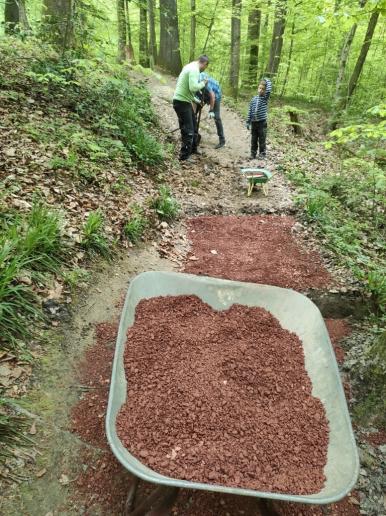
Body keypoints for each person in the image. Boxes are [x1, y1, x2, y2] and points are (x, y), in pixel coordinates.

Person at [172, 55, 209, 161]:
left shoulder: (189, 66)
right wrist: (203, 83)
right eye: (205, 67)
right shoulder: (194, 70)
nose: (204, 70)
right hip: (181, 102)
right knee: (188, 130)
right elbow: (193, 87)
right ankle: (184, 156)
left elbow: (188, 89)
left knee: (194, 125)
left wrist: (197, 101)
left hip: (184, 101)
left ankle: (193, 149)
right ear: (204, 63)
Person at [246, 78, 272, 159]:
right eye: (259, 88)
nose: (261, 90)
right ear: (258, 88)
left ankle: (262, 153)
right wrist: (248, 121)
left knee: (262, 139)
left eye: (263, 89)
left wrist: (266, 80)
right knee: (253, 139)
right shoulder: (253, 99)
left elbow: (269, 90)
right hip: (254, 123)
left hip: (262, 123)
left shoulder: (265, 98)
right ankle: (253, 153)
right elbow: (250, 110)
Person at [198, 73, 226, 149]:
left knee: (216, 117)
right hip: (205, 92)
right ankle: (195, 134)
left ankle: (222, 140)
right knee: (195, 110)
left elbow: (212, 96)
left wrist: (211, 110)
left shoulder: (203, 81)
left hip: (216, 94)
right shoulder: (193, 78)